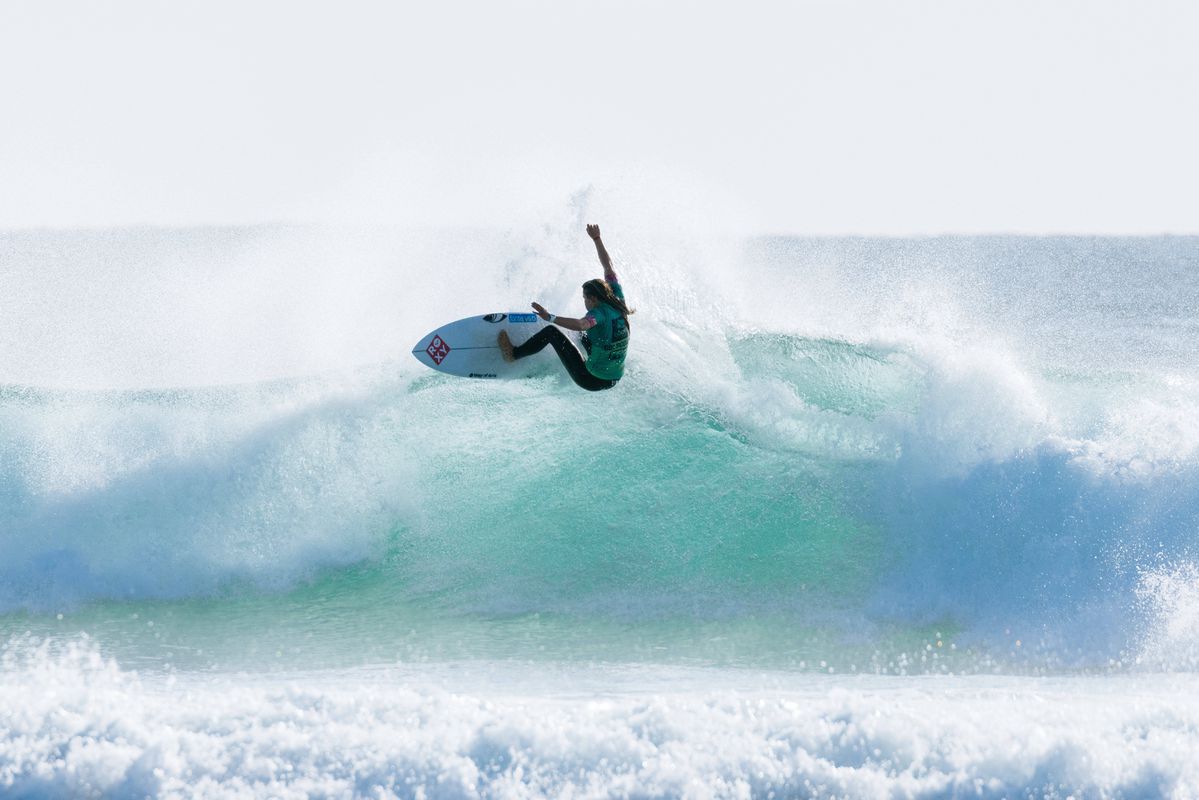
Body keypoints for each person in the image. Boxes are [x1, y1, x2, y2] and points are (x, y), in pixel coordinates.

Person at [498, 224, 632, 391]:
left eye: (585, 298)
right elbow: (608, 267)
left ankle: (514, 354)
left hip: (591, 379)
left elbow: (582, 324)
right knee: (582, 335)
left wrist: (550, 317)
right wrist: (597, 239)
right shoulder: (616, 297)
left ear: (593, 298)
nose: (584, 302)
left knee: (551, 332)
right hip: (614, 377)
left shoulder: (599, 313)